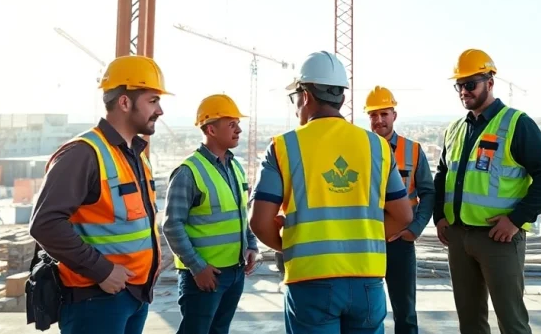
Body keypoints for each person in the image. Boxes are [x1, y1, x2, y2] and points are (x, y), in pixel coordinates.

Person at [249, 51, 414, 334]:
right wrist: (363, 237)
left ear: (306, 95)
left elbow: (259, 221)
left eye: (296, 97)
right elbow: (403, 215)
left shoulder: (283, 148)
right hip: (367, 279)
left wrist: (292, 243)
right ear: (342, 97)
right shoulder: (378, 147)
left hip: (310, 281)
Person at [29, 55, 168, 334]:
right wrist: (101, 270)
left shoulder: (135, 156)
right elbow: (45, 224)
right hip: (96, 300)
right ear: (125, 102)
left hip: (133, 295)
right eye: (152, 100)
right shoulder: (83, 154)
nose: (160, 110)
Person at [433, 49, 541, 334]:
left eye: (470, 84)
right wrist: (440, 216)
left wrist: (516, 220)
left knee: (511, 321)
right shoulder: (455, 129)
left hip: (498, 238)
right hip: (459, 235)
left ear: (490, 82)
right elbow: (442, 174)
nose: (463, 91)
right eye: (459, 85)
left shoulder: (516, 123)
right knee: (470, 322)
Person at [163, 94, 259, 334]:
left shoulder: (234, 167)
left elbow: (241, 211)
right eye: (231, 124)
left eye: (238, 123)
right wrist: (197, 267)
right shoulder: (188, 172)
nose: (238, 130)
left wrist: (251, 245)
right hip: (205, 276)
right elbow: (172, 225)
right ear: (211, 129)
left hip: (234, 272)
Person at [364, 86, 435, 334]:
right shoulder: (359, 149)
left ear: (394, 115)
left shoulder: (413, 150)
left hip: (400, 243)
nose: (379, 120)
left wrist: (415, 229)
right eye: (373, 115)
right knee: (366, 312)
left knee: (405, 313)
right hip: (365, 242)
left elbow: (428, 192)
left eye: (384, 113)